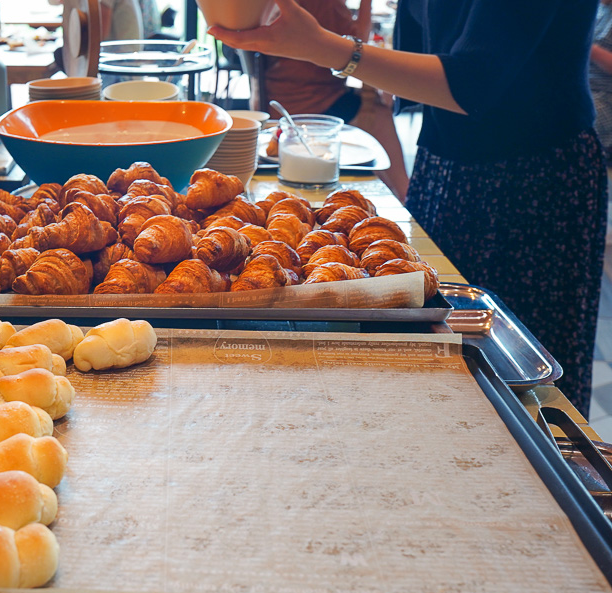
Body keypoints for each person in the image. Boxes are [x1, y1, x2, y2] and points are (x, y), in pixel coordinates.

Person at [211, 0, 608, 414]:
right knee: (434, 350)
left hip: (532, 181)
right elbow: (424, 58)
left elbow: (475, 80)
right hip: (443, 164)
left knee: (523, 387)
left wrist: (325, 47)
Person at [254, 0, 409, 201]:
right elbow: (357, 47)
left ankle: (390, 186)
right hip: (314, 103)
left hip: (277, 98)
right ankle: (404, 189)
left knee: (367, 102)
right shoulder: (327, 4)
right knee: (379, 112)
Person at [591, 0, 612, 159]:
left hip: (606, 94)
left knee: (574, 126)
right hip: (582, 87)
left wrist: (590, 50)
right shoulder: (595, 9)